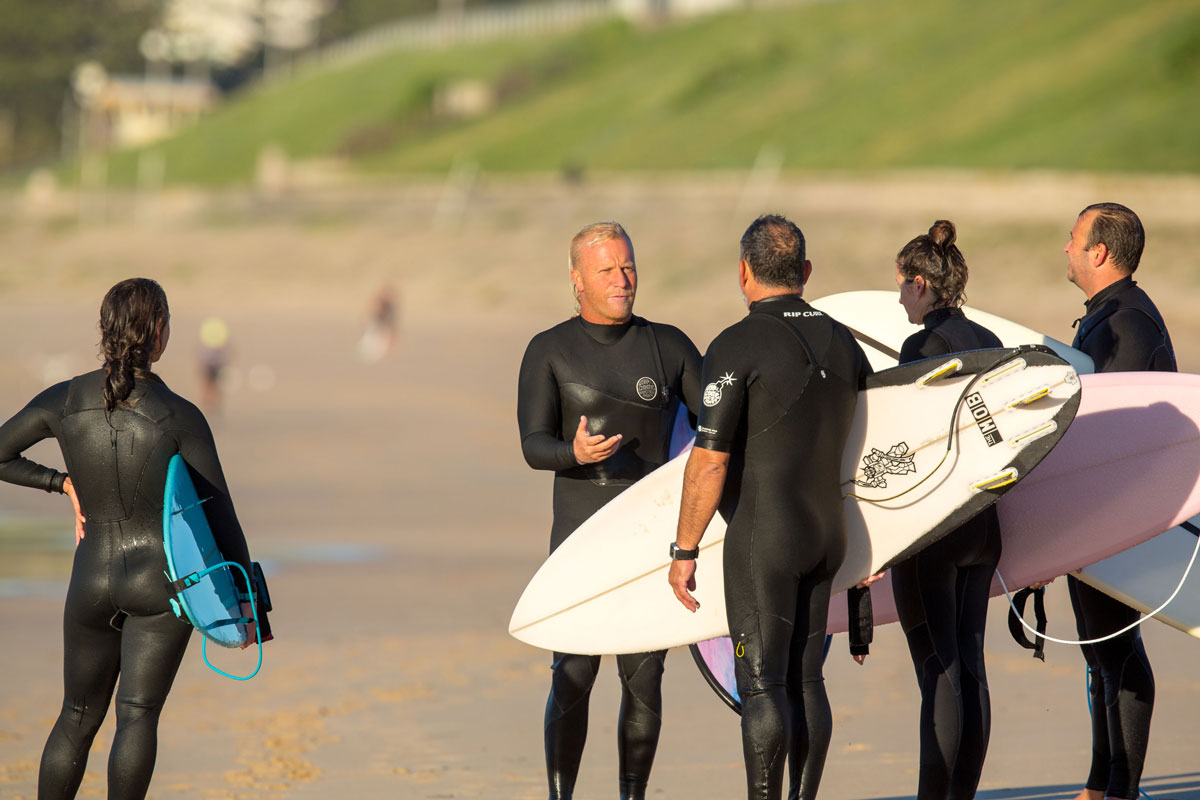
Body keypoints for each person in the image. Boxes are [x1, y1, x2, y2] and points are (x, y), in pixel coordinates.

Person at [0, 278, 256, 800]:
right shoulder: (179, 416)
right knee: (137, 716)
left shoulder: (66, 399)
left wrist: (61, 481)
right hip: (160, 586)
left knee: (75, 716)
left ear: (105, 328)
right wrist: (250, 600)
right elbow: (219, 516)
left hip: (90, 577)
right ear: (158, 332)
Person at [668, 214, 871, 800]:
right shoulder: (845, 341)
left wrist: (684, 548)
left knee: (761, 686)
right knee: (808, 680)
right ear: (805, 272)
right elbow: (871, 443)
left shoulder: (736, 344)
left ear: (743, 272)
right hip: (828, 534)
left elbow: (709, 459)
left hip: (767, 537)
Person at [517, 222, 702, 800]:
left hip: (650, 539)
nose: (623, 280)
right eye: (607, 270)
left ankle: (632, 797)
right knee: (571, 677)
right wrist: (571, 453)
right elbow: (532, 444)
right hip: (578, 542)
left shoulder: (668, 345)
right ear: (577, 280)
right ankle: (560, 795)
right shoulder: (548, 349)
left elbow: (716, 430)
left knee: (645, 682)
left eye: (628, 267)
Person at [890, 220, 1003, 800]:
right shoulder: (989, 339)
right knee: (972, 665)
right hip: (985, 524)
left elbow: (908, 447)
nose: (898, 299)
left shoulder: (921, 348)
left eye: (901, 286)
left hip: (938, 528)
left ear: (920, 284)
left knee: (940, 668)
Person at [1063, 202, 1173, 800]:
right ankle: (1101, 783)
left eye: (1074, 239)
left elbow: (1116, 426)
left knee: (1117, 646)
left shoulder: (1128, 322)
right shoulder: (1109, 313)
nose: (1067, 249)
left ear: (1099, 252)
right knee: (1097, 649)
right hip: (1095, 513)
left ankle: (1123, 789)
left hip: (1119, 516)